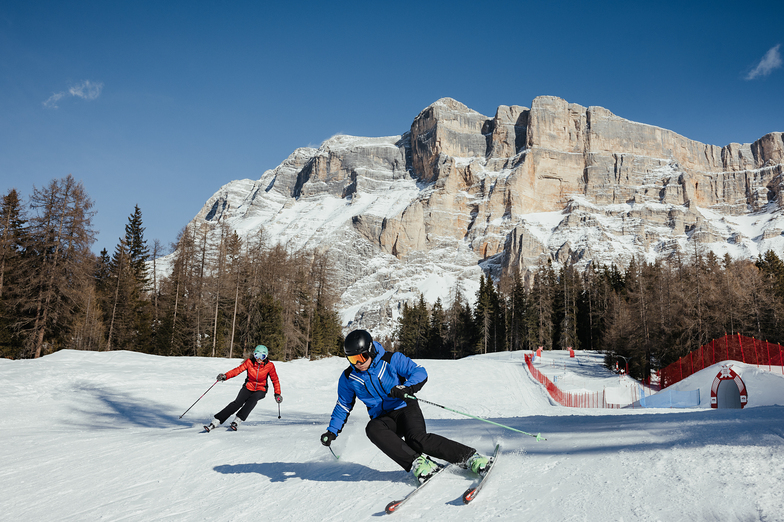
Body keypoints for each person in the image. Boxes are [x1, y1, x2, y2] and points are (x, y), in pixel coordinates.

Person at [320, 329, 490, 483]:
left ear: (370, 350)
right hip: (383, 417)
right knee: (372, 428)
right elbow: (343, 405)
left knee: (416, 439)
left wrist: (406, 387)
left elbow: (419, 371)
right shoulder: (349, 377)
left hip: (405, 407)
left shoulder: (391, 359)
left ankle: (472, 458)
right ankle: (419, 463)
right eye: (352, 359)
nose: (358, 363)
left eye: (361, 357)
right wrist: (332, 431)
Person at [204, 345, 282, 432]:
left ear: (266, 356)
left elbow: (275, 380)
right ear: (254, 355)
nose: (259, 358)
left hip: (261, 389)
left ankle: (238, 419)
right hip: (248, 387)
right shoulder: (249, 362)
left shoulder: (270, 366)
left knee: (253, 399)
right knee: (237, 403)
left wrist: (277, 394)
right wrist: (225, 376)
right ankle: (217, 420)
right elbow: (237, 370)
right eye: (257, 355)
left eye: (262, 356)